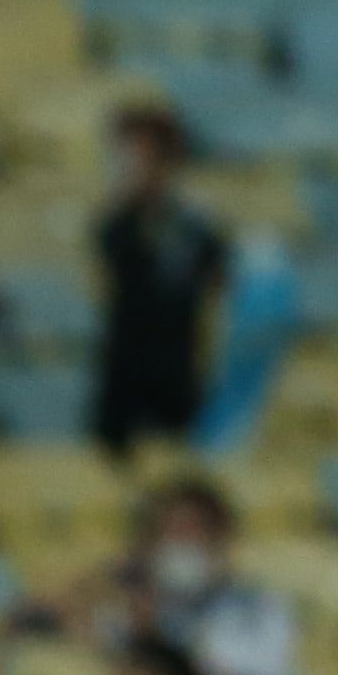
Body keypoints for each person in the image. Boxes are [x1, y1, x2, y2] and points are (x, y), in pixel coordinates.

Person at [93, 102, 226, 451]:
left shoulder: (195, 229)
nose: (130, 169)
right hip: (124, 377)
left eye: (140, 159)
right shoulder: (118, 225)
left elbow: (217, 280)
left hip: (175, 373)